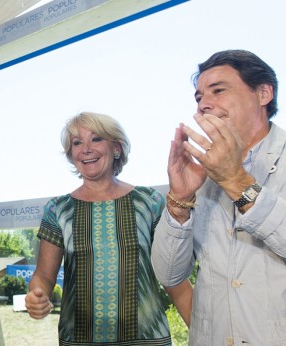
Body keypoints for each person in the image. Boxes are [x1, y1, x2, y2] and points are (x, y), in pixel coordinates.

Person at [151, 50, 286, 345]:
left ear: (264, 93)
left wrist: (234, 181)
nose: (204, 105)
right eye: (199, 97)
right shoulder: (199, 172)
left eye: (218, 90)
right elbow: (168, 273)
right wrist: (179, 201)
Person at [25, 112, 192, 345]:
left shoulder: (149, 202)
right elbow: (43, 275)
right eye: (77, 143)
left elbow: (173, 276)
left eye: (96, 139)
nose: (86, 148)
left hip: (148, 338)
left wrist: (204, 331)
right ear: (71, 155)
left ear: (117, 148)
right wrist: (36, 294)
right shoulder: (58, 209)